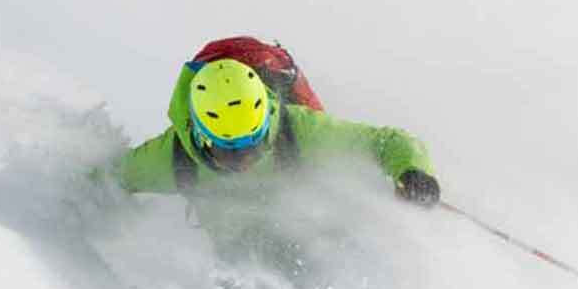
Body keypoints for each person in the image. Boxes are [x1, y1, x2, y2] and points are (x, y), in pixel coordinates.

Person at [95, 47, 440, 251]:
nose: (244, 160)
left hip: (296, 186)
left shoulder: (298, 129)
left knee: (331, 229)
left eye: (254, 144)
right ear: (201, 137)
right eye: (229, 152)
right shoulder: (173, 158)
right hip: (238, 234)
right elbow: (113, 177)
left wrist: (412, 170)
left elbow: (384, 142)